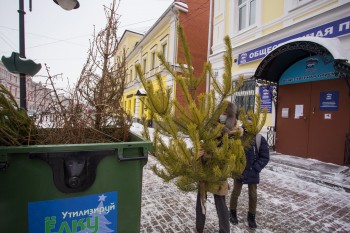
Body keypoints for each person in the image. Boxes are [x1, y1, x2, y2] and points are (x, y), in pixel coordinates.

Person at [195, 101, 237, 233]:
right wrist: (201, 154)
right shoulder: (210, 126)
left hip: (220, 171)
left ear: (230, 115)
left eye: (226, 113)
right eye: (221, 112)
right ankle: (199, 227)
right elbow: (202, 142)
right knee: (201, 199)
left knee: (221, 203)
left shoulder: (234, 129)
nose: (222, 115)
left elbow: (234, 151)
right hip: (205, 168)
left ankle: (224, 230)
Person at [229, 120, 270, 229]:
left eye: (251, 123)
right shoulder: (238, 136)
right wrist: (236, 167)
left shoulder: (258, 139)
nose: (248, 125)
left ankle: (251, 216)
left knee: (253, 195)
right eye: (246, 123)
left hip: (253, 171)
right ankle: (232, 213)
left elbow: (265, 156)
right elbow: (232, 152)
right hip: (239, 171)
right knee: (235, 193)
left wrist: (256, 168)